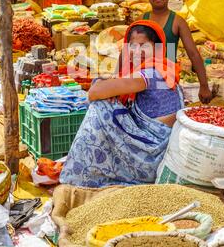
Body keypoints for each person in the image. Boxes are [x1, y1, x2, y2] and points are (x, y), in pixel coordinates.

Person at [60, 20, 183, 188]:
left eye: (143, 46)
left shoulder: (150, 73)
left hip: (150, 157)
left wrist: (103, 86)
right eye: (132, 46)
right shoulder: (164, 67)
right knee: (107, 98)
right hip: (156, 147)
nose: (137, 51)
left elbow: (94, 93)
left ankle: (79, 176)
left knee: (100, 107)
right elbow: (111, 83)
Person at [143, 0, 212, 104]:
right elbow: (128, 52)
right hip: (143, 82)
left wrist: (204, 85)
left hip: (167, 83)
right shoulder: (141, 19)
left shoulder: (177, 22)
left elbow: (193, 54)